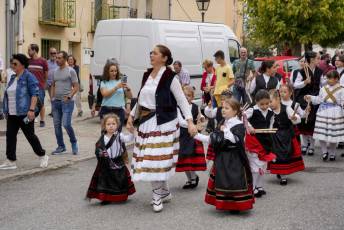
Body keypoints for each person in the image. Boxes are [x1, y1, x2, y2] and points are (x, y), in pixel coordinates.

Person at [126, 44, 197, 212]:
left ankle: (157, 195)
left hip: (164, 123)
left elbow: (181, 101)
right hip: (146, 122)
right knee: (150, 159)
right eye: (151, 52)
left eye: (155, 53)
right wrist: (130, 117)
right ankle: (163, 191)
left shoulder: (171, 77)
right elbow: (141, 100)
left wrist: (190, 121)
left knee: (155, 158)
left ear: (164, 58)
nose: (151, 55)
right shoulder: (146, 75)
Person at [195, 98, 254, 212]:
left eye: (227, 108)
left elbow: (235, 140)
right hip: (222, 158)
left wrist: (225, 130)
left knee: (234, 181)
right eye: (223, 108)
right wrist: (195, 135)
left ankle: (237, 206)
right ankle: (227, 205)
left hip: (234, 159)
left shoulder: (239, 125)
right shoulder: (223, 122)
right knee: (223, 180)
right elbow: (213, 139)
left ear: (235, 111)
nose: (223, 110)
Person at [0, 54, 48, 170]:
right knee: (10, 136)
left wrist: (31, 110)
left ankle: (43, 155)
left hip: (24, 113)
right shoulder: (12, 78)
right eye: (12, 63)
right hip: (12, 114)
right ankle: (11, 160)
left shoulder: (29, 77)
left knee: (30, 136)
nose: (12, 66)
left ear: (22, 65)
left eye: (15, 64)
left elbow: (34, 94)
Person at [86, 114, 136, 204]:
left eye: (113, 124)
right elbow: (98, 149)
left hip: (118, 161)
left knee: (120, 179)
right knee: (107, 181)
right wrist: (101, 153)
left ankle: (121, 195)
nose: (111, 126)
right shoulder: (103, 138)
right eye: (108, 124)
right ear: (104, 126)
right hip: (106, 163)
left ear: (117, 125)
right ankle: (106, 197)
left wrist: (133, 132)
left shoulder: (119, 136)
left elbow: (128, 139)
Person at [304, 71, 344, 161]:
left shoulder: (342, 89)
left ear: (337, 79)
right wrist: (310, 97)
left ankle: (333, 154)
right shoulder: (323, 88)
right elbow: (319, 99)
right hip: (323, 112)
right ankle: (324, 152)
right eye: (327, 78)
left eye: (330, 78)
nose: (328, 80)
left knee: (333, 135)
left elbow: (343, 102)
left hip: (335, 113)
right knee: (321, 133)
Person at [267, 90, 304, 185]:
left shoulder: (287, 108)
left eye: (271, 102)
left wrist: (295, 118)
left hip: (286, 136)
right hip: (274, 137)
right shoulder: (268, 111)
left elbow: (297, 118)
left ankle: (283, 176)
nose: (269, 104)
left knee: (284, 155)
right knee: (277, 156)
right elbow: (269, 125)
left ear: (278, 99)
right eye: (268, 102)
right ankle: (280, 172)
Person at [244, 89, 276, 197]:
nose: (265, 106)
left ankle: (259, 185)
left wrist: (270, 129)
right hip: (254, 141)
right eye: (262, 104)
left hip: (266, 141)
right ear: (256, 101)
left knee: (262, 165)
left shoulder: (271, 112)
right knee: (254, 165)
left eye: (267, 103)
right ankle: (252, 187)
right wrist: (250, 127)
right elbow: (243, 118)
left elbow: (272, 121)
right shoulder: (252, 110)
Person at [176, 86, 206, 189]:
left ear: (192, 97)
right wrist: (191, 124)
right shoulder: (178, 108)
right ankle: (189, 179)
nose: (186, 98)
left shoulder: (195, 106)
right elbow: (180, 122)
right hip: (182, 135)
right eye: (184, 96)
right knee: (183, 159)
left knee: (190, 159)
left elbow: (199, 115)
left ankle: (193, 178)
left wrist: (201, 118)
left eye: (188, 96)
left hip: (192, 135)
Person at [294, 51, 322, 156]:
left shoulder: (320, 71)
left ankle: (312, 146)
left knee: (312, 123)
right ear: (312, 59)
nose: (319, 60)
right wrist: (305, 82)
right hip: (303, 98)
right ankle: (304, 144)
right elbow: (296, 85)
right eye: (317, 58)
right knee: (303, 122)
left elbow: (322, 86)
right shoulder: (302, 71)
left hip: (315, 99)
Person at [51, 51, 79, 155]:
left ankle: (74, 142)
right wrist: (52, 97)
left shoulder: (71, 71)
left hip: (67, 102)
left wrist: (69, 96)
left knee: (66, 124)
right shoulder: (55, 71)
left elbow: (76, 87)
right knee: (56, 125)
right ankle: (61, 146)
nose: (56, 60)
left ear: (65, 59)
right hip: (56, 102)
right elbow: (53, 85)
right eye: (56, 58)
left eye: (59, 58)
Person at [203, 90, 233, 161]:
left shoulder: (234, 110)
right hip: (219, 134)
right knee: (217, 154)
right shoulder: (217, 109)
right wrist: (209, 107)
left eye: (225, 100)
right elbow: (210, 115)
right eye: (221, 99)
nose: (222, 101)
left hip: (229, 134)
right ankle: (216, 166)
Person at [27, 44, 48, 127]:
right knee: (31, 105)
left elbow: (46, 74)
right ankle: (28, 120)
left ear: (34, 50)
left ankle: (42, 120)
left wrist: (43, 84)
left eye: (29, 50)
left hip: (39, 87)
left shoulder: (43, 61)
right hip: (29, 87)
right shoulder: (27, 61)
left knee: (40, 104)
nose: (28, 52)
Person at [201, 59, 216, 132]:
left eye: (206, 68)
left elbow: (218, 85)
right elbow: (202, 85)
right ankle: (211, 127)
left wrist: (210, 88)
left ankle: (211, 127)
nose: (205, 69)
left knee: (214, 110)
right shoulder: (204, 74)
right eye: (204, 68)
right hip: (207, 94)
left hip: (214, 94)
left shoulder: (217, 73)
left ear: (211, 66)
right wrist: (205, 89)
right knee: (209, 110)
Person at [335, 55, 344, 151]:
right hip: (335, 98)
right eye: (336, 60)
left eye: (339, 60)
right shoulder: (334, 71)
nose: (336, 62)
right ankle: (340, 140)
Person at [47, 47, 58, 116]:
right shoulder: (46, 62)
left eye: (54, 53)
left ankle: (54, 111)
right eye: (51, 53)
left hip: (57, 83)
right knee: (51, 98)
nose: (53, 54)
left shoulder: (58, 62)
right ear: (49, 54)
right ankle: (53, 111)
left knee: (55, 98)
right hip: (49, 83)